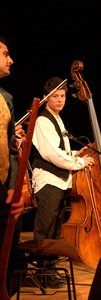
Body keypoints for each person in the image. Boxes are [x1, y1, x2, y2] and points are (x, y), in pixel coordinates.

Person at [31, 76, 94, 288]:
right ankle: (41, 273)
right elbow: (51, 154)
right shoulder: (42, 120)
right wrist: (79, 162)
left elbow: (62, 151)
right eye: (55, 96)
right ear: (47, 98)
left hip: (59, 182)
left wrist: (77, 153)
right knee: (45, 229)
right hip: (48, 181)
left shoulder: (58, 119)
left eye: (63, 96)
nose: (60, 100)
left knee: (55, 230)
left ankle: (49, 271)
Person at [0, 36, 25, 296]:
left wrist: (12, 187)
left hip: (2, 192)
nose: (11, 59)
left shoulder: (6, 98)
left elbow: (11, 149)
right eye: (5, 54)